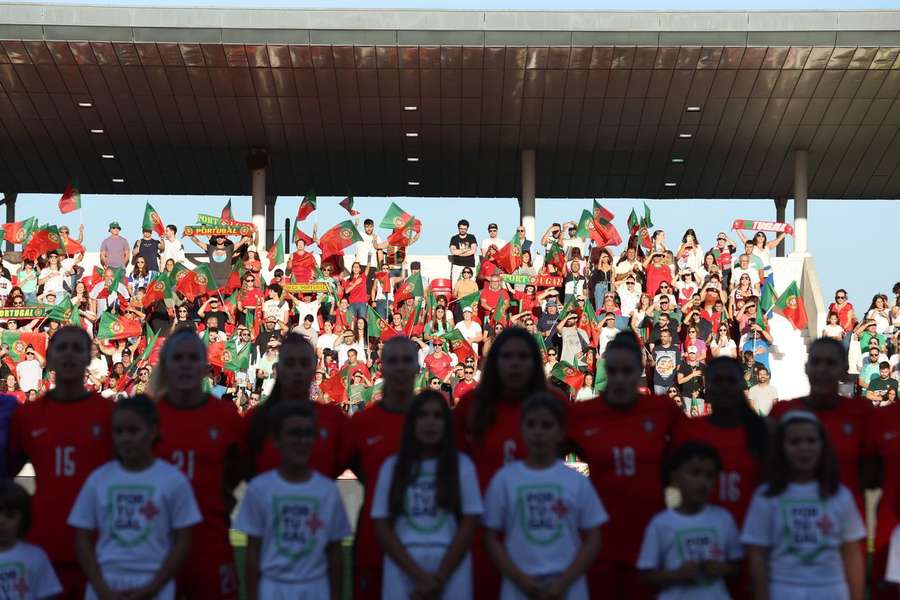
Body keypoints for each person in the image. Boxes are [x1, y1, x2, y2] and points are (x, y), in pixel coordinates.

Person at [567, 332, 684, 599]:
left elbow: (688, 464)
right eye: (614, 370)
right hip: (600, 545)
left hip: (652, 542)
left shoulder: (663, 410)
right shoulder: (584, 414)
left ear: (640, 369)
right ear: (605, 368)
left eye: (627, 370)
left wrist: (676, 511)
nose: (619, 378)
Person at [7, 326, 115, 599]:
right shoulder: (28, 416)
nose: (69, 355)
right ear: (50, 358)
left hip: (100, 546)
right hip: (43, 543)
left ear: (88, 358)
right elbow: (5, 475)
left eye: (77, 348)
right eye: (61, 348)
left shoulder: (109, 414)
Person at [68, 395, 202, 599]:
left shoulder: (173, 480)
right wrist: (102, 589)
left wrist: (153, 586)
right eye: (118, 432)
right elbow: (82, 538)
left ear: (153, 431)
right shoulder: (99, 479)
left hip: (154, 582)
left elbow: (184, 540)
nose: (125, 438)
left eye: (133, 431)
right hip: (106, 581)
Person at [148, 329, 245, 599]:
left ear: (204, 367)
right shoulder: (148, 417)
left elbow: (240, 468)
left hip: (210, 539)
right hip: (158, 541)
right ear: (166, 365)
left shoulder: (225, 416)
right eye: (178, 357)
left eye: (193, 357)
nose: (185, 364)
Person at [483, 393, 606, 600]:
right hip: (519, 588)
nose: (538, 432)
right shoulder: (505, 479)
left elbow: (594, 537)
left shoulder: (576, 482)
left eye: (546, 425)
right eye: (531, 425)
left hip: (568, 589)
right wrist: (519, 578)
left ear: (560, 432)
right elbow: (490, 536)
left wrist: (565, 581)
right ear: (521, 430)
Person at [741, 410, 866, 600]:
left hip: (832, 589)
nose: (804, 448)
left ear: (823, 446)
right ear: (781, 447)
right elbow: (758, 554)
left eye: (811, 440)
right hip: (783, 589)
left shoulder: (840, 495)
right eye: (795, 442)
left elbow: (851, 553)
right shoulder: (766, 496)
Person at [372, 390, 483, 599]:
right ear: (411, 423)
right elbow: (382, 526)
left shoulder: (462, 466)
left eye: (437, 416)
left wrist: (440, 575)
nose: (430, 422)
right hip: (403, 563)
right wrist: (417, 574)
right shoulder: (392, 468)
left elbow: (470, 523)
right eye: (422, 415)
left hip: (451, 563)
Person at [234, 401, 350, 600]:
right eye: (293, 433)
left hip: (316, 588)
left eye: (307, 434)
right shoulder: (259, 489)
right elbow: (252, 553)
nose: (300, 441)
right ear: (276, 440)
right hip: (272, 588)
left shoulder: (328, 491)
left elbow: (335, 555)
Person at [343, 336, 420, 599]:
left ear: (417, 367)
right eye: (392, 361)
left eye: (407, 360)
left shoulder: (434, 421)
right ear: (382, 368)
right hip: (372, 544)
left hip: (423, 543)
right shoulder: (362, 423)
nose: (400, 367)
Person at [769, 337, 876, 514]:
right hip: (792, 524)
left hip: (847, 526)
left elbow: (874, 472)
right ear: (806, 367)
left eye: (830, 363)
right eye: (816, 361)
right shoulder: (781, 413)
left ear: (844, 370)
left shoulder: (863, 413)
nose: (822, 369)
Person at [637, 443, 743, 598]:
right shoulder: (660, 523)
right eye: (695, 473)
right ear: (675, 477)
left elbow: (737, 566)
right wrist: (677, 575)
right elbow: (645, 576)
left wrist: (721, 568)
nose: (703, 482)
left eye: (710, 475)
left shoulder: (723, 518)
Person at [671, 357, 767, 528]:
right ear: (708, 385)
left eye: (731, 380)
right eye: (717, 380)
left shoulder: (762, 432)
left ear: (741, 385)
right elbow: (672, 485)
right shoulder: (688, 430)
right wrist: (674, 519)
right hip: (700, 534)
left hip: (751, 532)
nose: (724, 387)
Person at [0, 480, 63, 598]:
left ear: (23, 519)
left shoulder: (35, 556)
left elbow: (48, 594)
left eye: (10, 515)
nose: (1, 522)